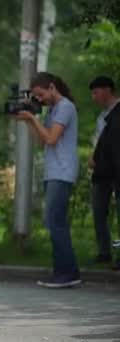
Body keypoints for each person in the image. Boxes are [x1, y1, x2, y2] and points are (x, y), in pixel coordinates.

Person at [15, 72, 81, 288]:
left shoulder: (65, 107)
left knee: (56, 223)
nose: (39, 99)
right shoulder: (53, 110)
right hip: (54, 171)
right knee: (54, 222)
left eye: (41, 94)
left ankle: (67, 273)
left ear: (52, 87)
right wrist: (29, 122)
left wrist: (33, 118)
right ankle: (63, 271)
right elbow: (42, 142)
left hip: (62, 172)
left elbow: (51, 138)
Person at [89, 76, 120, 270]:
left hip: (115, 169)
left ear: (108, 90)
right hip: (101, 171)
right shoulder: (102, 117)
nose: (94, 97)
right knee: (99, 209)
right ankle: (104, 251)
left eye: (96, 92)